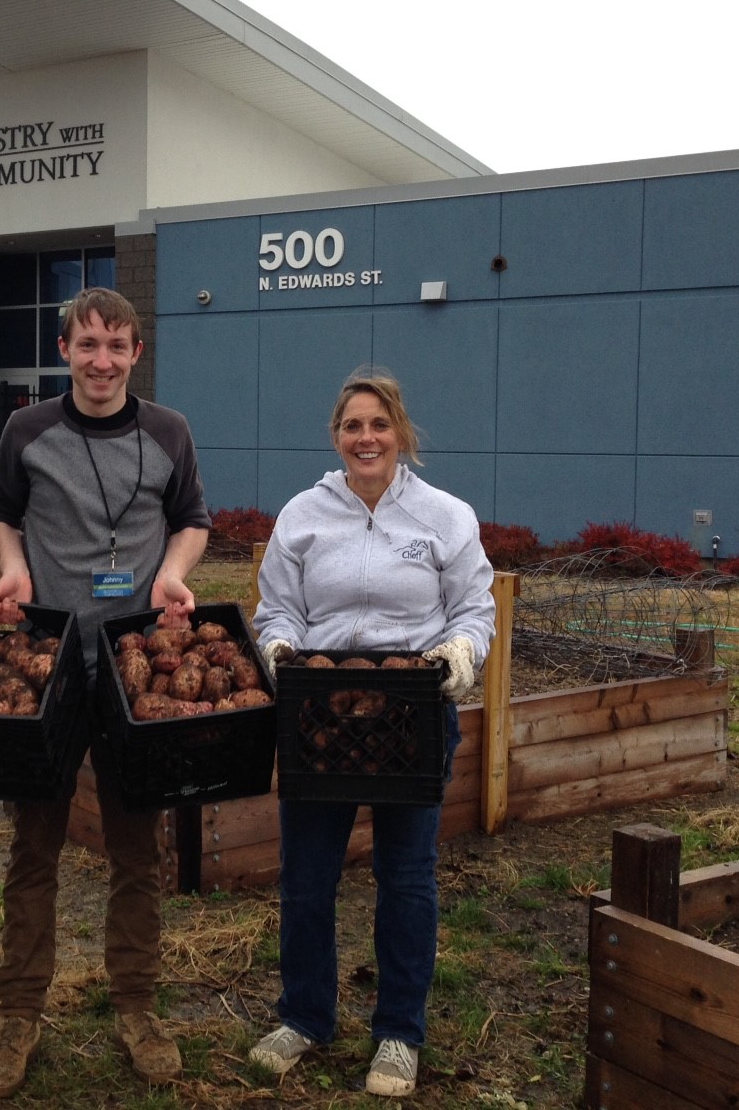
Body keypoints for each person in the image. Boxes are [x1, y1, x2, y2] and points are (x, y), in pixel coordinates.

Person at [0, 286, 211, 1097]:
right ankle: (17, 1011)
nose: (101, 361)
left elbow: (192, 519)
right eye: (86, 345)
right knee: (32, 847)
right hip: (43, 665)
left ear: (135, 353)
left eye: (116, 346)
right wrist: (11, 564)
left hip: (131, 668)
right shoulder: (27, 430)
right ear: (66, 350)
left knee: (136, 851)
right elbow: (0, 513)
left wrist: (172, 576)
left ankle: (138, 1005)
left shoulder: (168, 431)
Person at [247, 366, 494, 1099]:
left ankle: (397, 1033)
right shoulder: (303, 515)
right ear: (336, 436)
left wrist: (458, 657)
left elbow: (473, 609)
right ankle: (305, 1016)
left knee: (408, 875)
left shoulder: (445, 517)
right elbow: (277, 609)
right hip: (319, 712)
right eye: (353, 426)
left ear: (401, 433)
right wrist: (283, 653)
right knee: (307, 875)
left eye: (379, 424)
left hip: (411, 712)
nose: (366, 438)